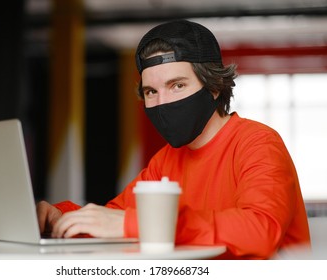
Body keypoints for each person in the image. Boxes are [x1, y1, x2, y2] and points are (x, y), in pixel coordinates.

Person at [37, 20, 311, 259]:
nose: (163, 102)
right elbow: (114, 217)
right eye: (151, 91)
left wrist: (144, 225)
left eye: (177, 85)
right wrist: (63, 218)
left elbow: (260, 230)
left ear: (214, 86)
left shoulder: (258, 143)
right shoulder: (165, 161)